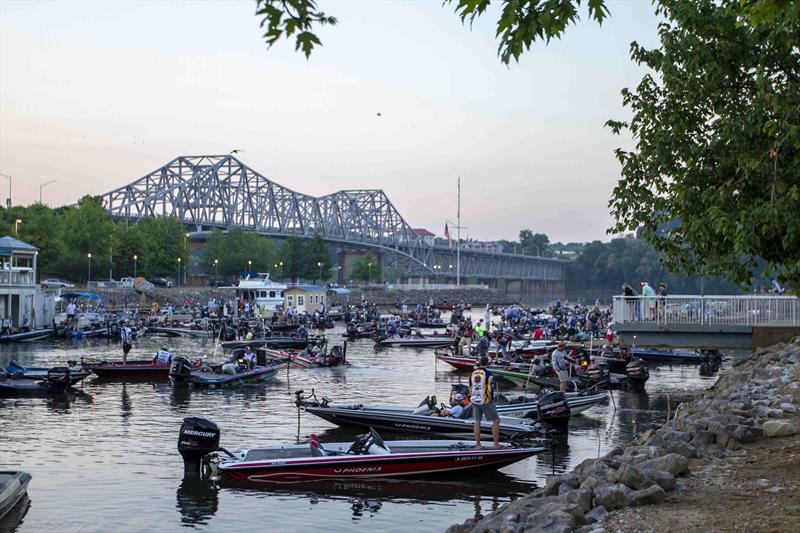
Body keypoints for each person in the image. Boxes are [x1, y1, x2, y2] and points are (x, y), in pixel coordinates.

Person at [470, 356, 499, 449]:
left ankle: (478, 444)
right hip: (486, 401)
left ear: (479, 362)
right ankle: (496, 444)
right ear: (487, 363)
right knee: (496, 421)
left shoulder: (473, 373)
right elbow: (491, 389)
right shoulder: (488, 374)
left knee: (477, 422)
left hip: (474, 400)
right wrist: (491, 399)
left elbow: (470, 386)